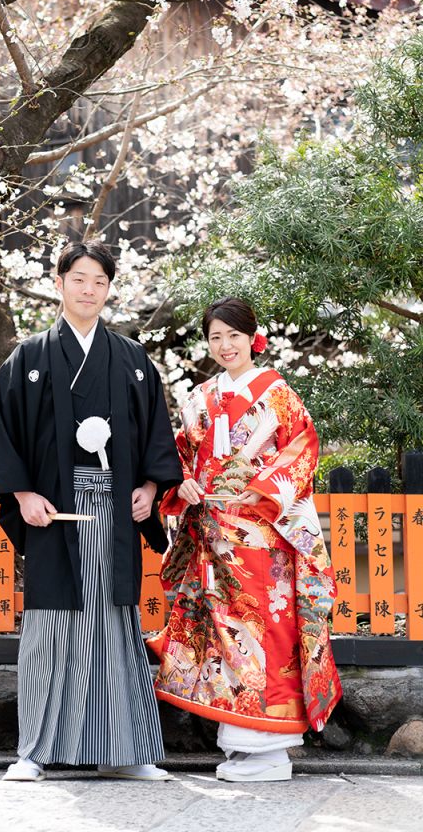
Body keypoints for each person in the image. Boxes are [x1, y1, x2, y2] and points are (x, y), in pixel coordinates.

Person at [0, 240, 184, 782]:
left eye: (99, 280)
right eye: (79, 278)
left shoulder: (130, 358)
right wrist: (23, 494)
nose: (89, 289)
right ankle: (34, 753)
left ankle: (123, 751)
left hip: (116, 508)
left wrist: (149, 486)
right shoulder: (28, 358)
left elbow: (155, 429)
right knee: (52, 629)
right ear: (59, 282)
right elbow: (3, 432)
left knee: (115, 624)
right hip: (54, 511)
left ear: (108, 288)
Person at [151, 296, 342, 783]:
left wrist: (255, 491)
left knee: (265, 632)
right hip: (213, 536)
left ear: (252, 337)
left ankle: (272, 751)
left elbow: (302, 450)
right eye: (215, 337)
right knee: (223, 637)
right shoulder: (201, 396)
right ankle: (241, 743)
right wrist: (183, 485)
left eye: (233, 335)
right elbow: (179, 460)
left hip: (262, 535)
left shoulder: (277, 393)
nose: (224, 345)